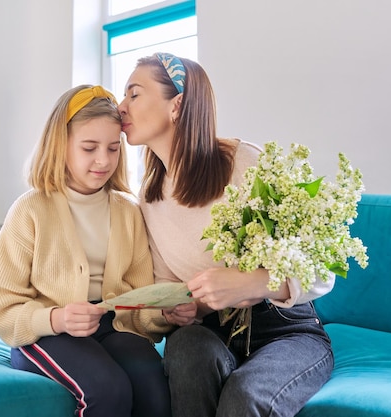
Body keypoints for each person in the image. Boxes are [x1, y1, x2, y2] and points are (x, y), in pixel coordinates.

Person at [118, 53, 335, 417]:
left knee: (243, 395)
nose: (121, 106)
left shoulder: (243, 163)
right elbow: (170, 281)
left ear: (178, 105)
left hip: (285, 329)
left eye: (134, 94)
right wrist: (179, 307)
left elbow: (322, 269)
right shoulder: (151, 194)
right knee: (185, 349)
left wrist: (254, 283)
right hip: (212, 330)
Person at [0, 84, 172, 417]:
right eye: (89, 148)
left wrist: (163, 314)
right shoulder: (30, 209)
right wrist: (55, 319)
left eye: (113, 149)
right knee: (107, 390)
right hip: (45, 333)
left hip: (113, 327)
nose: (103, 160)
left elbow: (141, 300)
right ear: (61, 146)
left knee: (156, 391)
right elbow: (1, 306)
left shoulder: (129, 211)